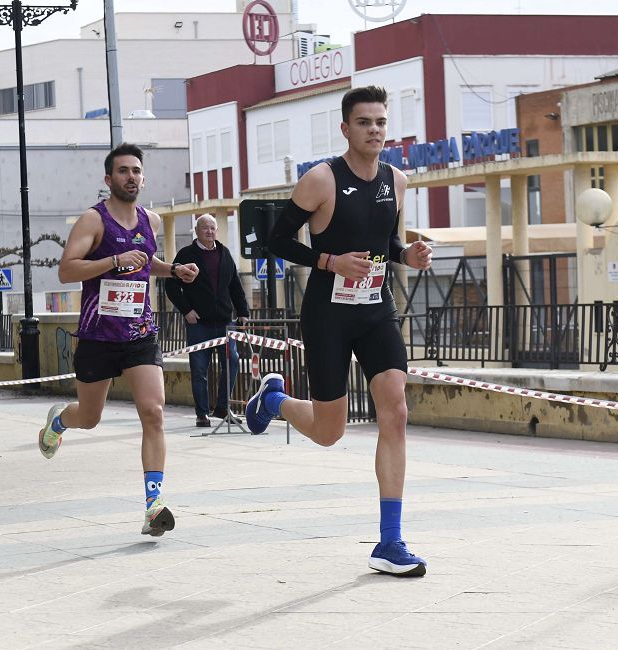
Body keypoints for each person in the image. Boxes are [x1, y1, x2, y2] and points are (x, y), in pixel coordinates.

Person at [245, 85, 433, 577]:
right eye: (365, 122)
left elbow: (385, 242)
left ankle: (389, 542)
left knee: (395, 410)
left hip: (376, 308)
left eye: (381, 122)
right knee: (330, 432)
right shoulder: (321, 179)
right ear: (346, 128)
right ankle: (272, 401)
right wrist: (330, 260)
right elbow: (277, 239)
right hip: (328, 314)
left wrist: (404, 255)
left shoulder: (398, 179)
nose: (375, 130)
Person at [37, 142, 199, 537]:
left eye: (136, 171)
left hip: (140, 333)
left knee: (154, 412)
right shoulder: (93, 221)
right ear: (109, 179)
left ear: (143, 178)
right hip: (98, 335)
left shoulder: (152, 221)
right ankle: (59, 421)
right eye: (123, 171)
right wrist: (112, 261)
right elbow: (66, 271)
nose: (131, 177)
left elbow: (144, 262)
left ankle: (152, 506)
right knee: (89, 418)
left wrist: (173, 270)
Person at [165, 213, 250, 427]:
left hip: (224, 323)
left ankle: (223, 408)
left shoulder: (225, 253)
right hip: (198, 325)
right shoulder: (186, 254)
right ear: (197, 231)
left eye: (213, 228)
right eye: (205, 228)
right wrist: (187, 311)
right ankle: (202, 413)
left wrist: (243, 312)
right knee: (199, 369)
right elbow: (171, 286)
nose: (210, 231)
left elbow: (235, 286)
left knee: (232, 362)